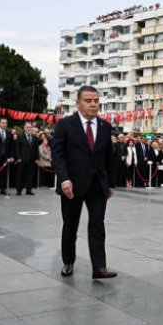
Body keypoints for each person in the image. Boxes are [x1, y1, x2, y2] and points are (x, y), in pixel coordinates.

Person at [52, 85, 117, 279]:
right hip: (71, 185)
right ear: (78, 103)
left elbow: (109, 156)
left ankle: (99, 267)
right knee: (70, 225)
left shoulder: (105, 126)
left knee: (97, 224)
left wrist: (111, 183)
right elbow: (58, 154)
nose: (93, 104)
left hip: (98, 184)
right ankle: (68, 262)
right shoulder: (65, 124)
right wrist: (64, 179)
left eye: (96, 101)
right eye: (88, 101)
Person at [16, 122, 40, 195]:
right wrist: (18, 157)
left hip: (32, 160)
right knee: (20, 175)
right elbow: (17, 148)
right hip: (22, 159)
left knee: (30, 175)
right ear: (24, 128)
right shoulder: (20, 137)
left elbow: (36, 149)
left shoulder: (35, 138)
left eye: (30, 127)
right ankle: (19, 190)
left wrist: (37, 158)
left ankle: (28, 190)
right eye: (27, 127)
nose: (29, 128)